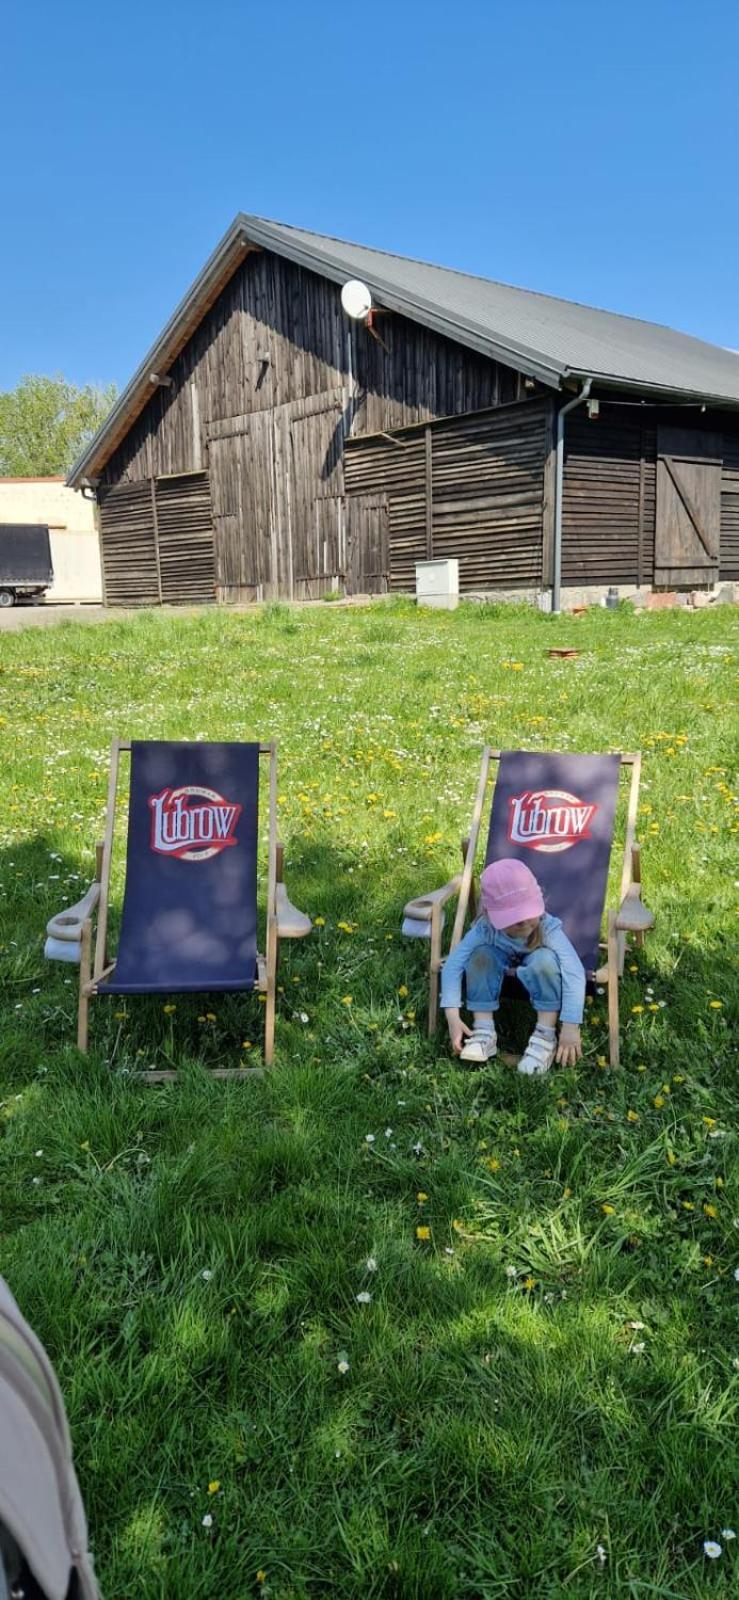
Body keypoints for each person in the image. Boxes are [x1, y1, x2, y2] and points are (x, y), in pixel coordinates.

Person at [441, 858, 585, 1074]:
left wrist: (571, 1025)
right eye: (515, 918)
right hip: (497, 958)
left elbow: (574, 972)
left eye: (529, 913)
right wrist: (452, 1016)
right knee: (480, 957)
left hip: (538, 964)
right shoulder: (486, 929)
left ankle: (545, 1036)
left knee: (545, 961)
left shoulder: (547, 928)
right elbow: (453, 965)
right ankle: (484, 1032)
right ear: (490, 914)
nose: (525, 922)